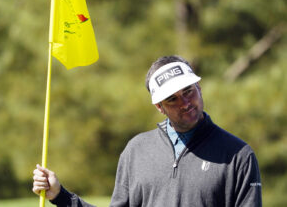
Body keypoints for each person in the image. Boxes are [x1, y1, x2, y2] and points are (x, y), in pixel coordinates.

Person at [33, 55, 262, 207]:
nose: (185, 103)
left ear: (199, 88)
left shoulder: (238, 155)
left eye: (188, 91)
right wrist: (60, 196)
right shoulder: (137, 151)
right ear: (159, 107)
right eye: (172, 99)